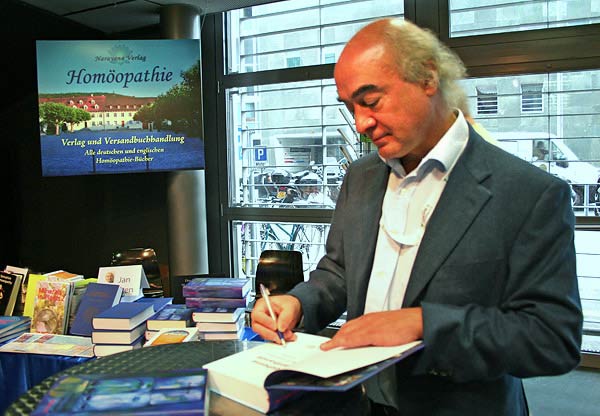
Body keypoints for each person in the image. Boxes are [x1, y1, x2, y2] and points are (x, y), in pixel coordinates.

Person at [251, 18, 582, 416]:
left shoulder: (528, 193)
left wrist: (424, 324)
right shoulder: (360, 177)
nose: (360, 124)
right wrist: (299, 302)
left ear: (427, 77)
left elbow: (551, 338)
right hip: (357, 403)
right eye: (350, 107)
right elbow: (339, 272)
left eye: (371, 101)